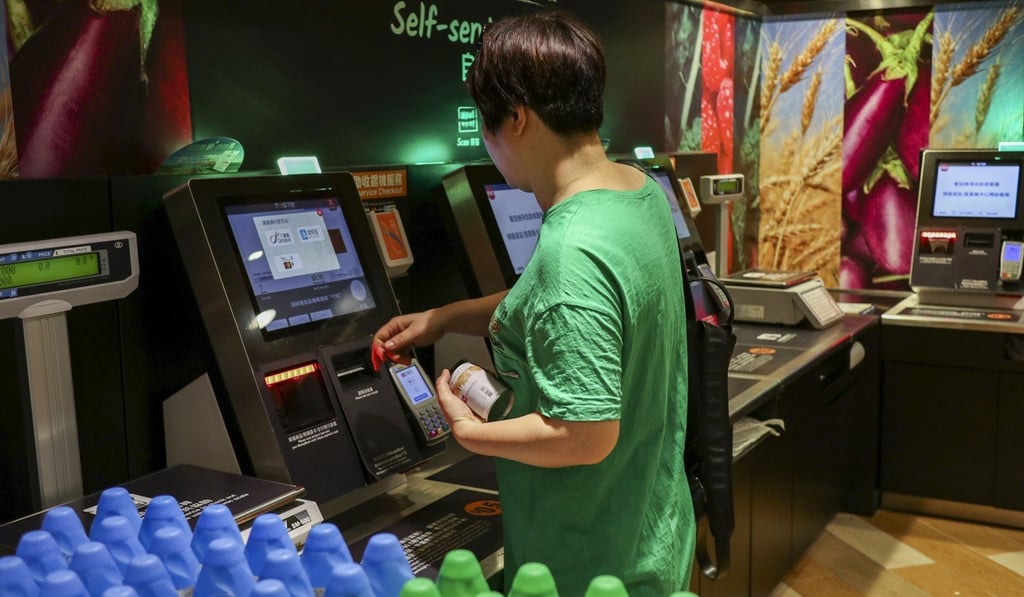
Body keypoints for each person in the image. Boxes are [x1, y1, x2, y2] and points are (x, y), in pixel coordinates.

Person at [372, 9, 694, 596]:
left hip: (583, 564)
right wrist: (444, 318)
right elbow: (572, 297)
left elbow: (585, 433)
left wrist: (469, 430)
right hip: (654, 530)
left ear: (516, 118)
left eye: (486, 127)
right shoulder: (637, 190)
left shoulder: (571, 248)